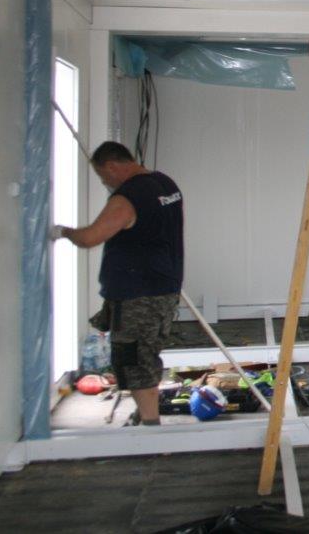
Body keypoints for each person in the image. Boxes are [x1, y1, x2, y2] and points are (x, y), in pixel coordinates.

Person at [51, 142, 184, 426]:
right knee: (147, 352)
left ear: (112, 166)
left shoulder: (128, 198)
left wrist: (62, 232)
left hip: (138, 295)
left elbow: (90, 237)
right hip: (164, 289)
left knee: (134, 360)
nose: (106, 184)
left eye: (103, 177)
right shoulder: (165, 184)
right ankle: (146, 413)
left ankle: (150, 425)